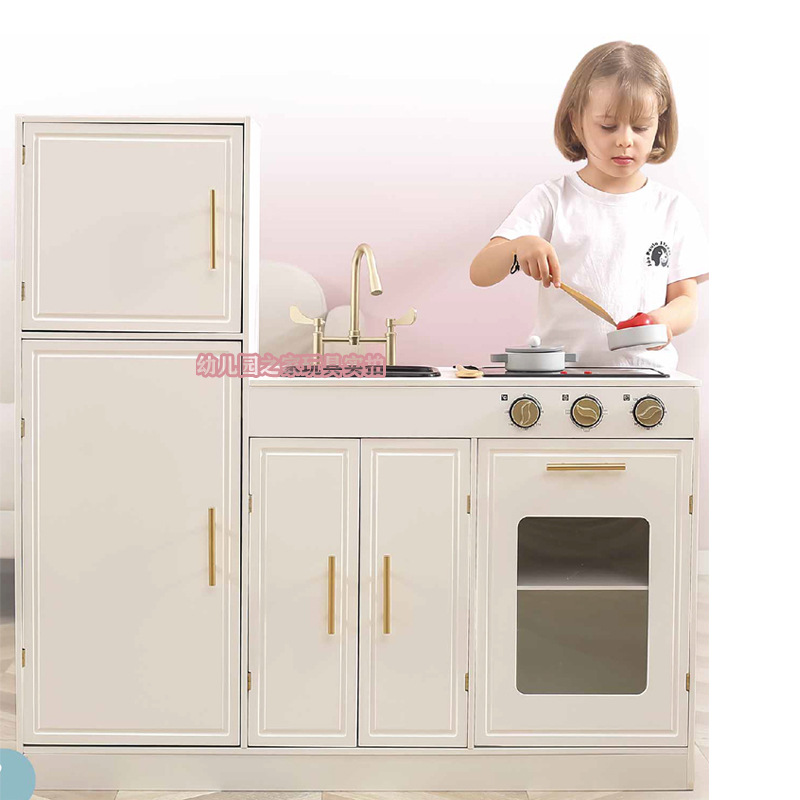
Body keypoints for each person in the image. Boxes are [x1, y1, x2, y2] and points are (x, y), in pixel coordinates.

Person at [469, 41, 708, 372]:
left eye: (641, 127)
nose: (625, 139)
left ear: (660, 124)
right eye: (608, 126)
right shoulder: (552, 199)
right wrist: (518, 246)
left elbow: (686, 301)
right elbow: (480, 272)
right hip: (561, 377)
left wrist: (660, 321)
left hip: (647, 375)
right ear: (576, 122)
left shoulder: (673, 209)